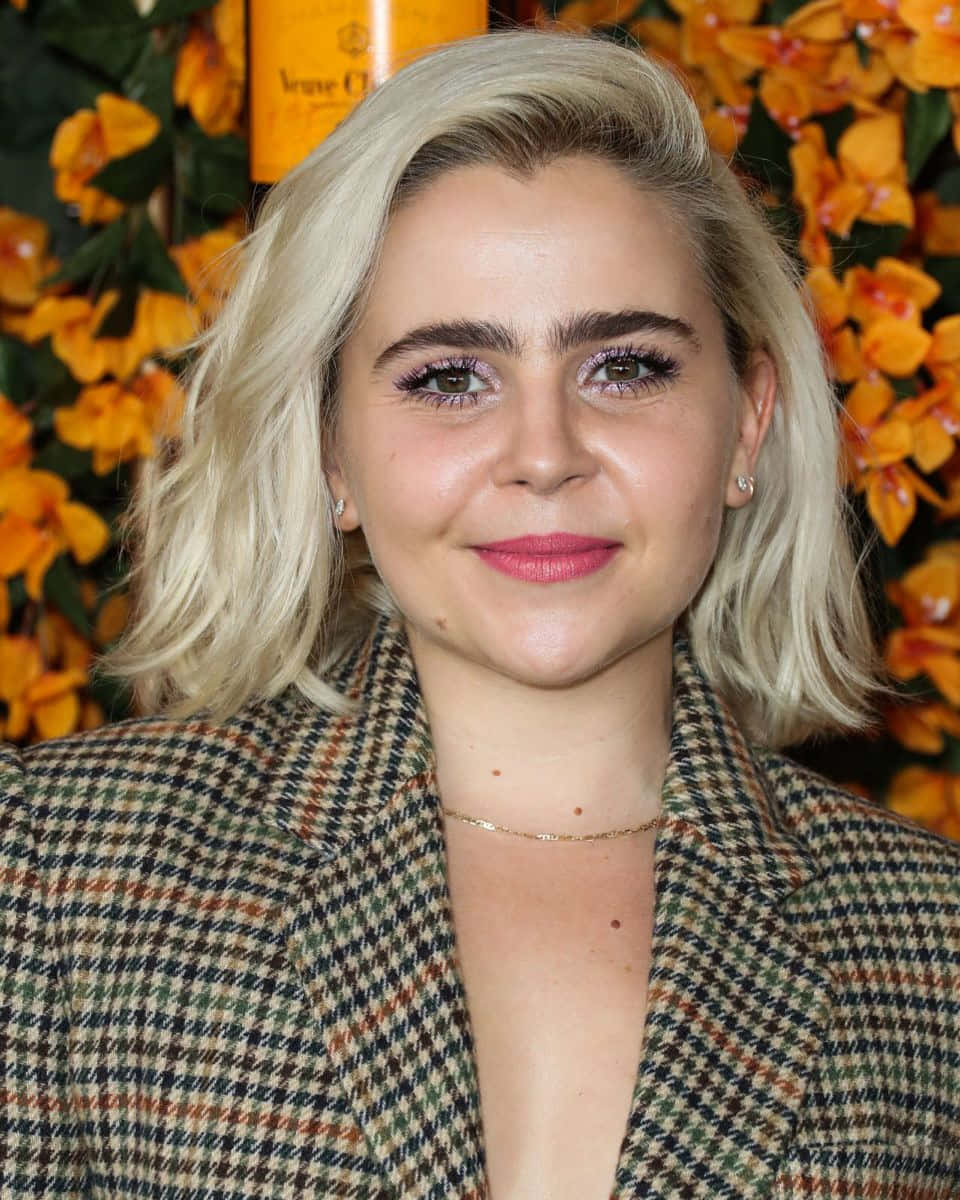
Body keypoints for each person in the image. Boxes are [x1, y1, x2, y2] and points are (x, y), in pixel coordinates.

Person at [2, 24, 958, 1200]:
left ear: (748, 419)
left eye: (627, 367)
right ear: (331, 449)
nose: (544, 455)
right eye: (448, 378)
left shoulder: (930, 940)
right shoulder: (53, 872)